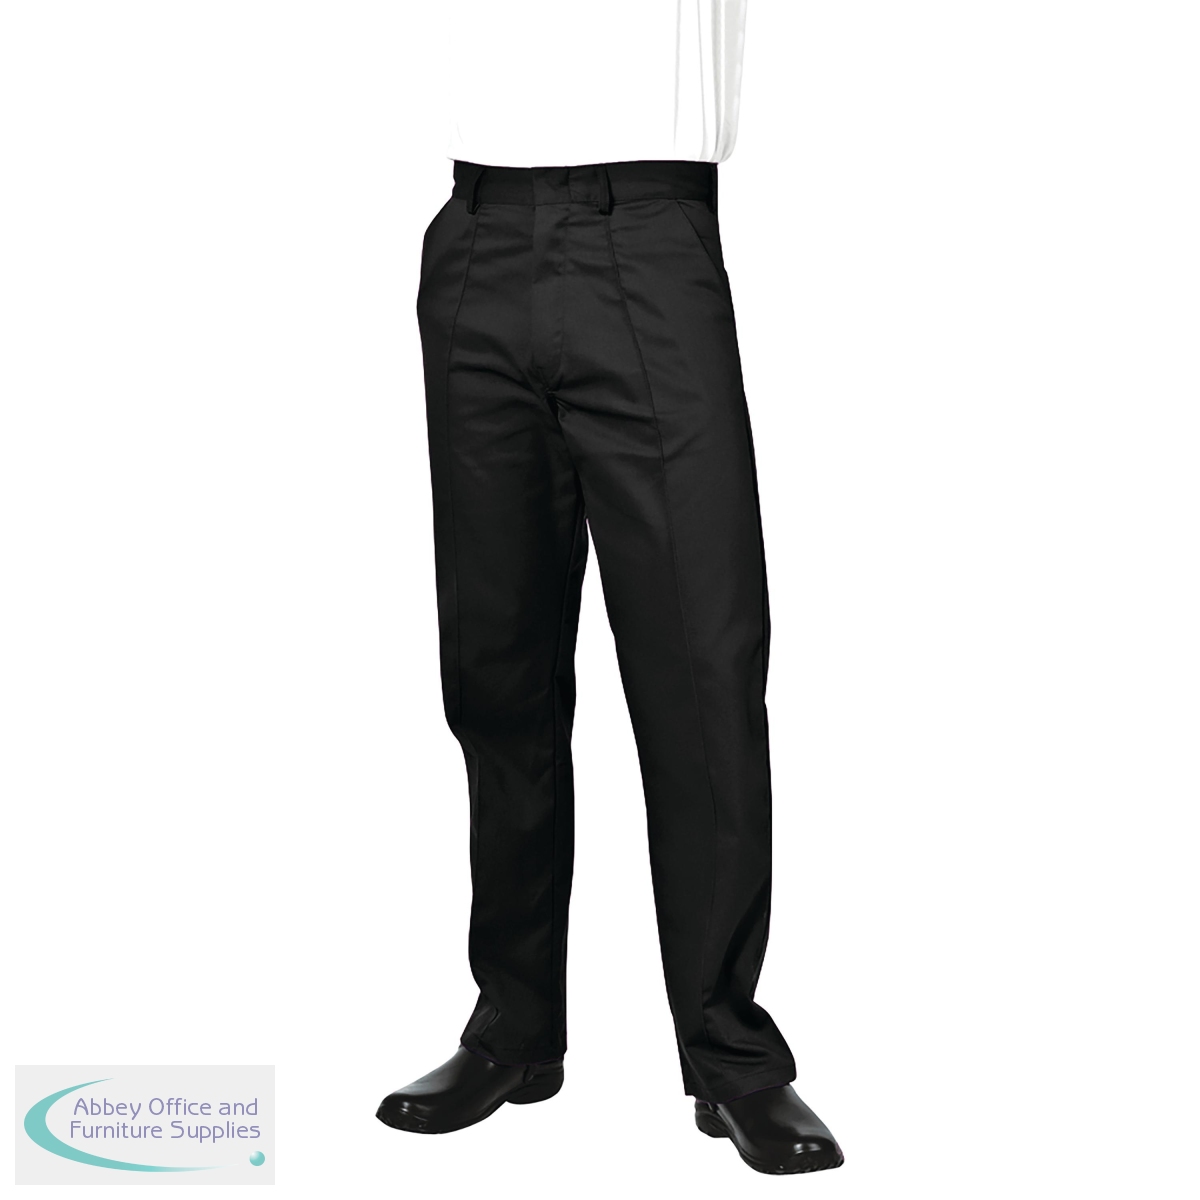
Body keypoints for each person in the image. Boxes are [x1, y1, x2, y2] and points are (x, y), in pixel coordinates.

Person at [376, 1, 843, 1176]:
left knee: (702, 669)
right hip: (478, 233)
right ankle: (514, 1026)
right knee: (498, 670)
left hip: (649, 232)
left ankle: (730, 1057)